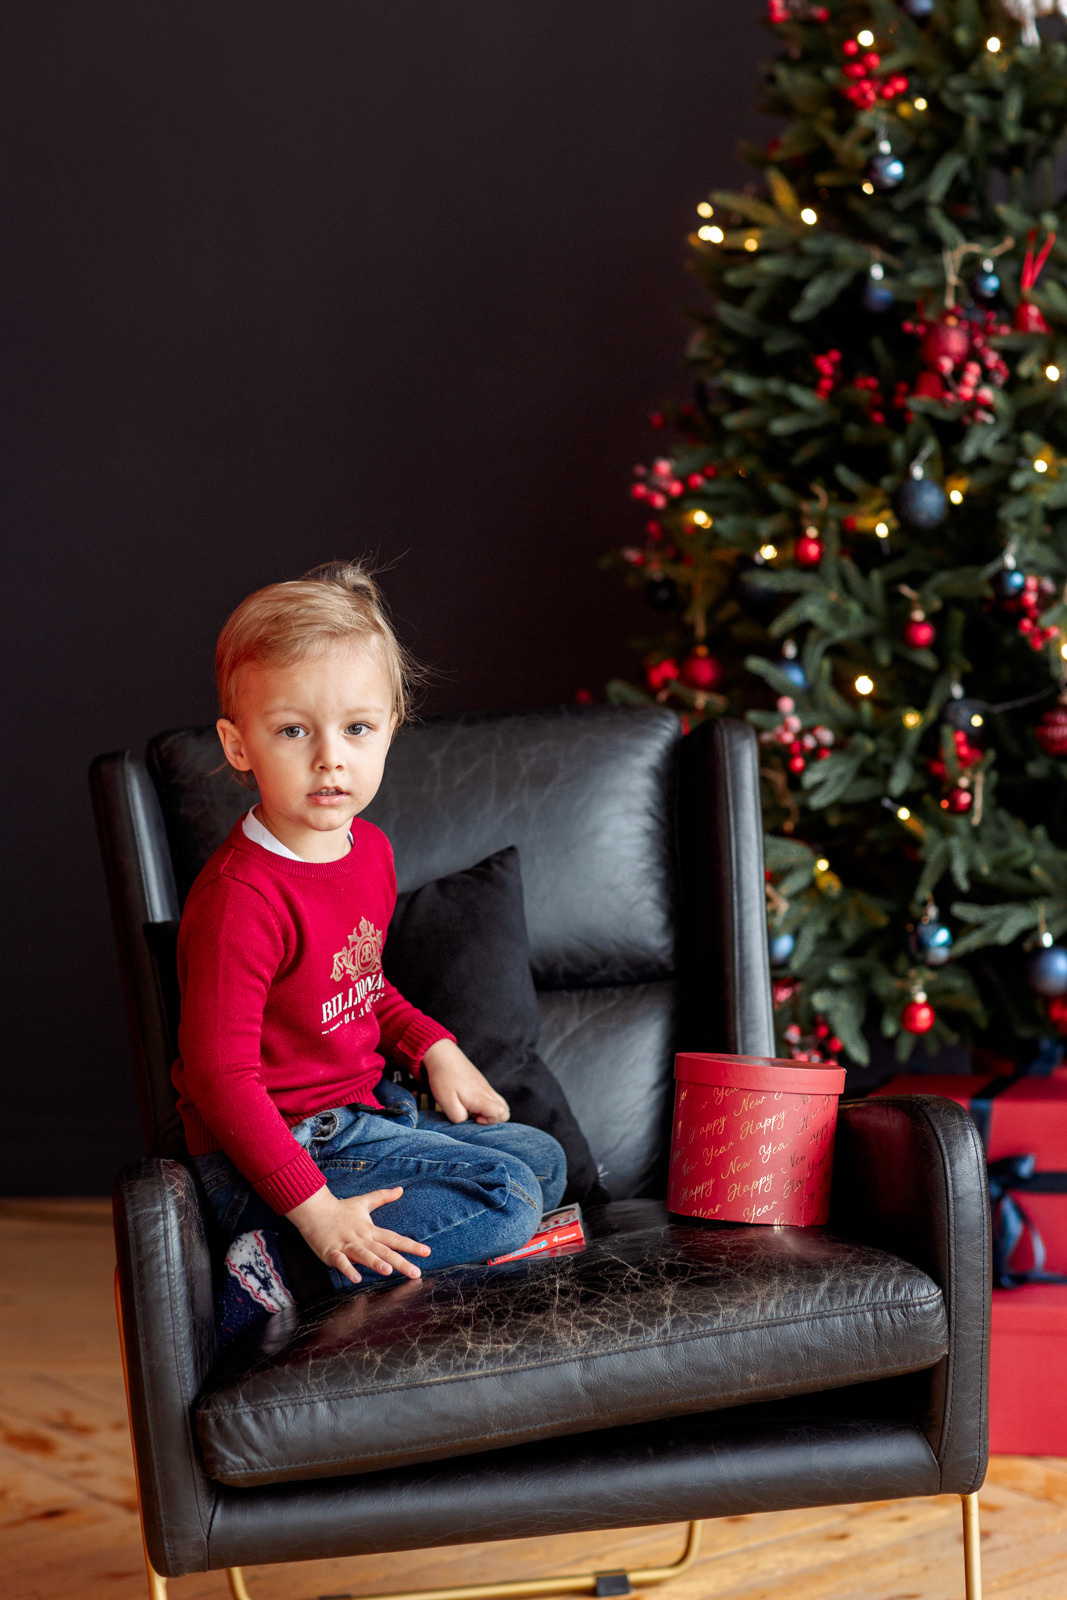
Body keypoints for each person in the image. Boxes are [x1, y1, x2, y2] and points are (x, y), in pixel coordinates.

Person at [172, 561, 567, 1328]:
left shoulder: (368, 852)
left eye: (356, 728)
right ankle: (271, 1271)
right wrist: (315, 1213)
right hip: (275, 1156)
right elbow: (220, 1081)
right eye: (293, 731)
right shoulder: (240, 899)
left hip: (363, 1119)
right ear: (238, 743)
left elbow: (357, 982)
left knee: (541, 1160)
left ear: (390, 724)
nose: (330, 758)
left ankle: (372, 1244)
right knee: (509, 1198)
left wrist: (432, 1047)